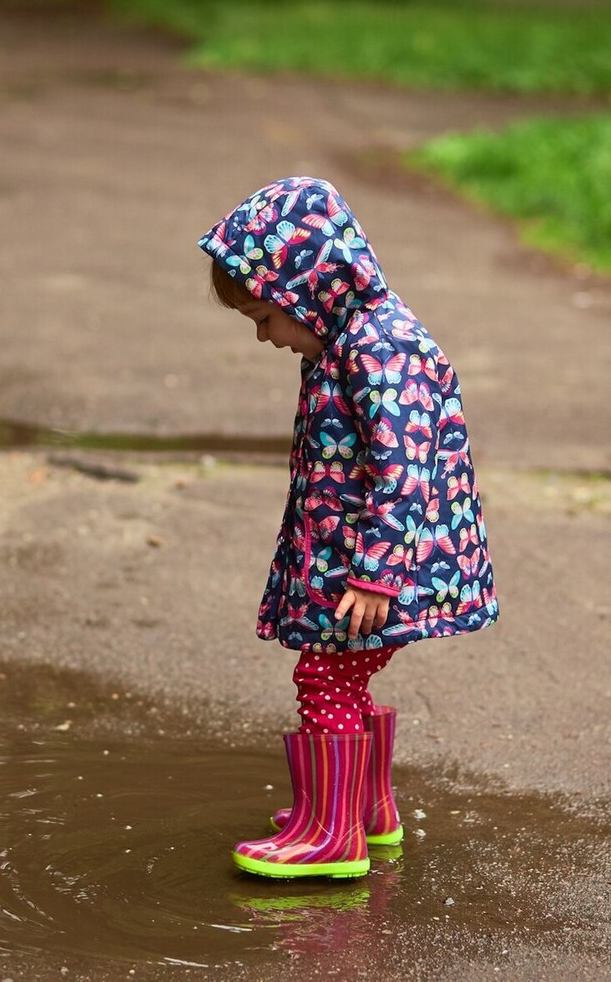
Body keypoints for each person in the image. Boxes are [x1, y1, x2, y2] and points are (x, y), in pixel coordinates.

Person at [198, 176, 499, 879]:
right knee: (343, 681)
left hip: (385, 570)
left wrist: (376, 573)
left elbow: (405, 468)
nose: (264, 336)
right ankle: (360, 809)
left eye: (265, 317)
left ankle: (332, 837)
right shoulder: (344, 342)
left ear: (308, 292)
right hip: (370, 563)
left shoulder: (378, 348)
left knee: (324, 680)